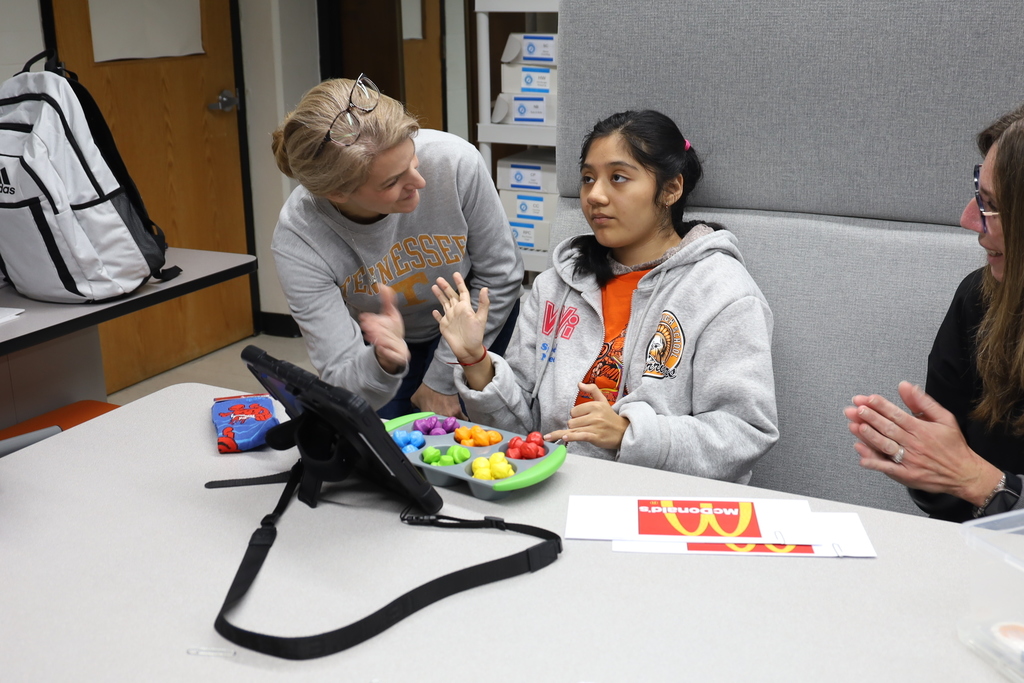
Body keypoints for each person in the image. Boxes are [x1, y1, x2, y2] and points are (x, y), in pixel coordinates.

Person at [430, 110, 778, 482]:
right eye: (587, 178)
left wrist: (630, 435)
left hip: (660, 504)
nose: (595, 195)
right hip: (552, 487)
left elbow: (745, 433)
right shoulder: (555, 286)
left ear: (671, 189)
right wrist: (475, 360)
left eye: (618, 178)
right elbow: (520, 431)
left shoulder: (721, 291)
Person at [270, 75, 523, 419]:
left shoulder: (456, 161)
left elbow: (502, 274)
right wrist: (383, 362)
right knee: (383, 453)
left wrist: (443, 377)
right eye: (392, 182)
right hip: (385, 344)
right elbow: (342, 372)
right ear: (337, 194)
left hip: (479, 322)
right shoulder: (299, 239)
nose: (419, 183)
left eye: (413, 162)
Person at [844, 106, 1024, 522]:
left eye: (992, 205)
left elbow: (971, 478)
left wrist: (984, 483)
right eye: (980, 194)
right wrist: (925, 469)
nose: (968, 219)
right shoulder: (980, 301)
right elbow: (952, 500)